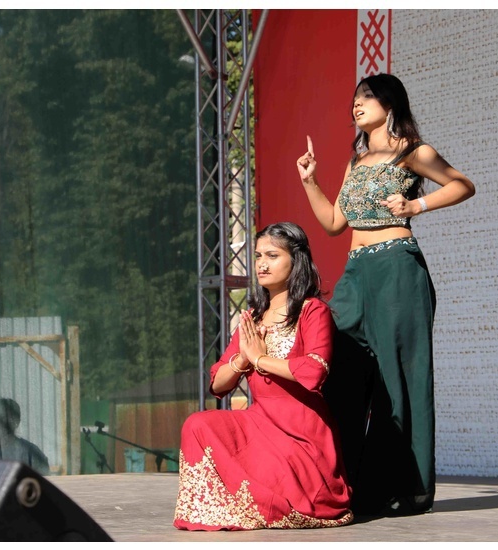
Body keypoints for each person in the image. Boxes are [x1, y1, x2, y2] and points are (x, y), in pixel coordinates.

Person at [296, 73, 476, 516]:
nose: (356, 104)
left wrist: (417, 205)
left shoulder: (412, 152)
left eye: (367, 97)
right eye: (355, 98)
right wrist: (310, 181)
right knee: (338, 362)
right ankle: (343, 481)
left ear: (389, 104)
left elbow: (462, 185)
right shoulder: (356, 162)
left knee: (398, 379)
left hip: (397, 269)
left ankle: (404, 488)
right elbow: (334, 223)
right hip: (356, 273)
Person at [173, 222, 353, 531]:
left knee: (277, 475)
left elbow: (315, 370)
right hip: (259, 422)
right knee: (198, 424)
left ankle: (266, 501)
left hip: (300, 433)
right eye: (258, 256)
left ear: (295, 260)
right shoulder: (253, 318)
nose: (262, 264)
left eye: (272, 255)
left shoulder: (312, 311)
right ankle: (228, 507)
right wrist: (244, 358)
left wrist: (260, 359)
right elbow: (218, 382)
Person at [0, 397, 50, 475]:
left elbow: (43, 481)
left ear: (17, 422)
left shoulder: (32, 454)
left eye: (6, 419)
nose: (1, 424)